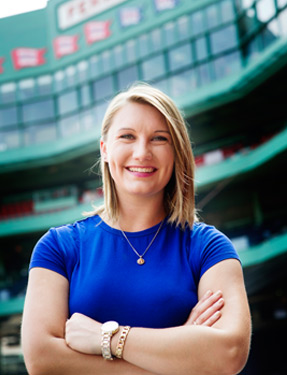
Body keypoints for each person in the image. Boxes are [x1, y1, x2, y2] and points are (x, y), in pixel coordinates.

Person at [22, 83, 251, 375]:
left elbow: (228, 352)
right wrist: (181, 357)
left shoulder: (209, 247)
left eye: (159, 139)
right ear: (105, 149)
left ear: (176, 152)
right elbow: (42, 360)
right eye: (127, 136)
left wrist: (106, 339)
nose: (142, 152)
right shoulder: (58, 247)